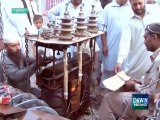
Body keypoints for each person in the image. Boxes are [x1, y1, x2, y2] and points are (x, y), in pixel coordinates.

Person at [98, 22, 160, 120]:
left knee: (108, 99)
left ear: (154, 37)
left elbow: (151, 95)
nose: (144, 42)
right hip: (148, 100)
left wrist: (134, 85)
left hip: (147, 104)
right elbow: (153, 85)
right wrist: (138, 82)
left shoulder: (158, 60)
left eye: (145, 38)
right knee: (118, 91)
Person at [115, 0, 160, 79]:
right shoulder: (127, 19)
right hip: (136, 59)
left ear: (144, 1)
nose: (138, 7)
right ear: (130, 3)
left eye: (140, 3)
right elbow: (125, 41)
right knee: (134, 83)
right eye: (134, 5)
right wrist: (119, 61)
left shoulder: (155, 12)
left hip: (154, 55)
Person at [100, 0, 134, 88]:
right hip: (111, 44)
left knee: (126, 70)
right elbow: (102, 29)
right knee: (111, 69)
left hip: (129, 45)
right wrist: (104, 45)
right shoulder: (108, 8)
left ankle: (122, 92)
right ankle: (110, 93)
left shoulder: (132, 7)